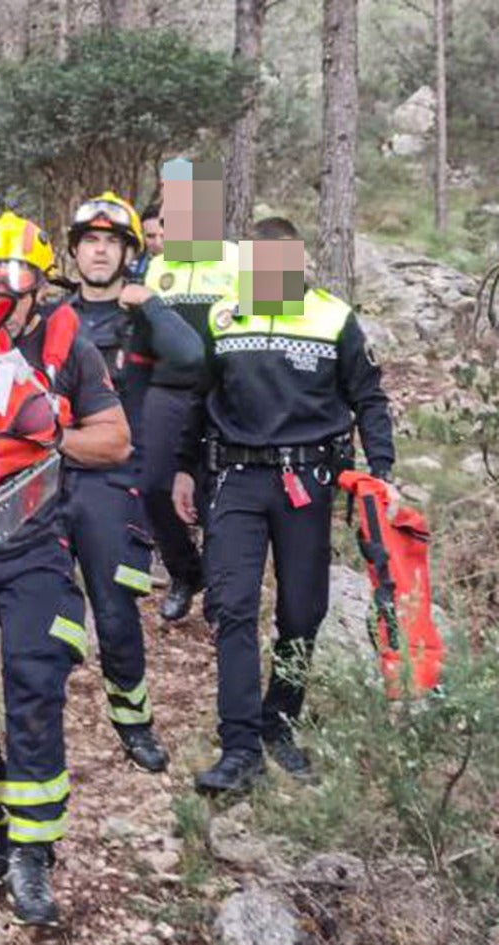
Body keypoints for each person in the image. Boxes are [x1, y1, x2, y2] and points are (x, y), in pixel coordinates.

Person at [0, 212, 130, 927]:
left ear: (42, 281)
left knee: (35, 691)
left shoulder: (68, 344)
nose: (4, 288)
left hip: (34, 544)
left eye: (18, 275)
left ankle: (34, 855)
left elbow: (116, 440)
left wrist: (55, 437)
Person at [174, 216, 396, 794]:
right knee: (234, 609)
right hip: (236, 480)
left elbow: (368, 397)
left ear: (298, 264)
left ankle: (279, 723)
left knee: (302, 611)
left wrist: (384, 469)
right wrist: (181, 470)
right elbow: (197, 401)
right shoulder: (222, 318)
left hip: (307, 482)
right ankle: (240, 747)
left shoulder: (332, 317)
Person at [61, 191, 204, 772]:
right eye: (90, 242)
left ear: (128, 252)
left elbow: (193, 358)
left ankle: (134, 722)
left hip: (115, 484)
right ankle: (42, 729)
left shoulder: (141, 317)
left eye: (111, 243)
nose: (99, 252)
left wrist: (153, 307)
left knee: (117, 615)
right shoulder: (53, 316)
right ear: (74, 252)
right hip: (47, 480)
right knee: (42, 615)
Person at [142, 158, 238, 622]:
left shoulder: (240, 261)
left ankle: (222, 593)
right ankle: (185, 570)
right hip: (168, 391)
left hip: (224, 394)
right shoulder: (156, 268)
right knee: (153, 487)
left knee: (218, 496)